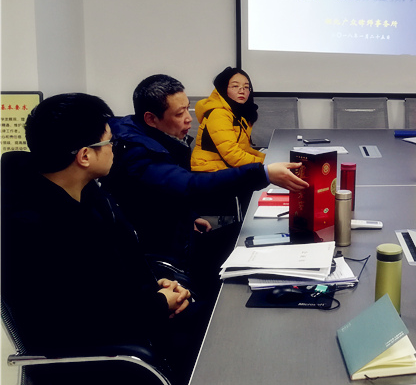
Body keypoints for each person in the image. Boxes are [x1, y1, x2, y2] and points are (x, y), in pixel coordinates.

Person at [0, 93, 218, 385]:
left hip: (139, 331)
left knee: (229, 328)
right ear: (85, 155)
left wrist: (156, 284)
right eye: (109, 142)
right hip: (111, 368)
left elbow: (115, 270)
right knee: (231, 372)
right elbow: (80, 321)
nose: (115, 148)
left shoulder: (87, 192)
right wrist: (158, 304)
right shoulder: (34, 228)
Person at [104, 74, 308, 296]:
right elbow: (188, 185)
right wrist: (263, 173)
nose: (189, 119)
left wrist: (189, 216)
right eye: (179, 113)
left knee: (247, 236)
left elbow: (164, 189)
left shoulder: (153, 138)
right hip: (168, 257)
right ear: (151, 119)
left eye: (187, 109)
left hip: (183, 237)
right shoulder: (137, 154)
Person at [191, 66, 265, 172]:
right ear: (223, 88)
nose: (242, 91)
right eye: (235, 86)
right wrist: (266, 163)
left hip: (224, 168)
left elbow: (243, 149)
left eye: (246, 87)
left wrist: (267, 157)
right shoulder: (219, 114)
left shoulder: (236, 113)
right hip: (209, 170)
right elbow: (233, 155)